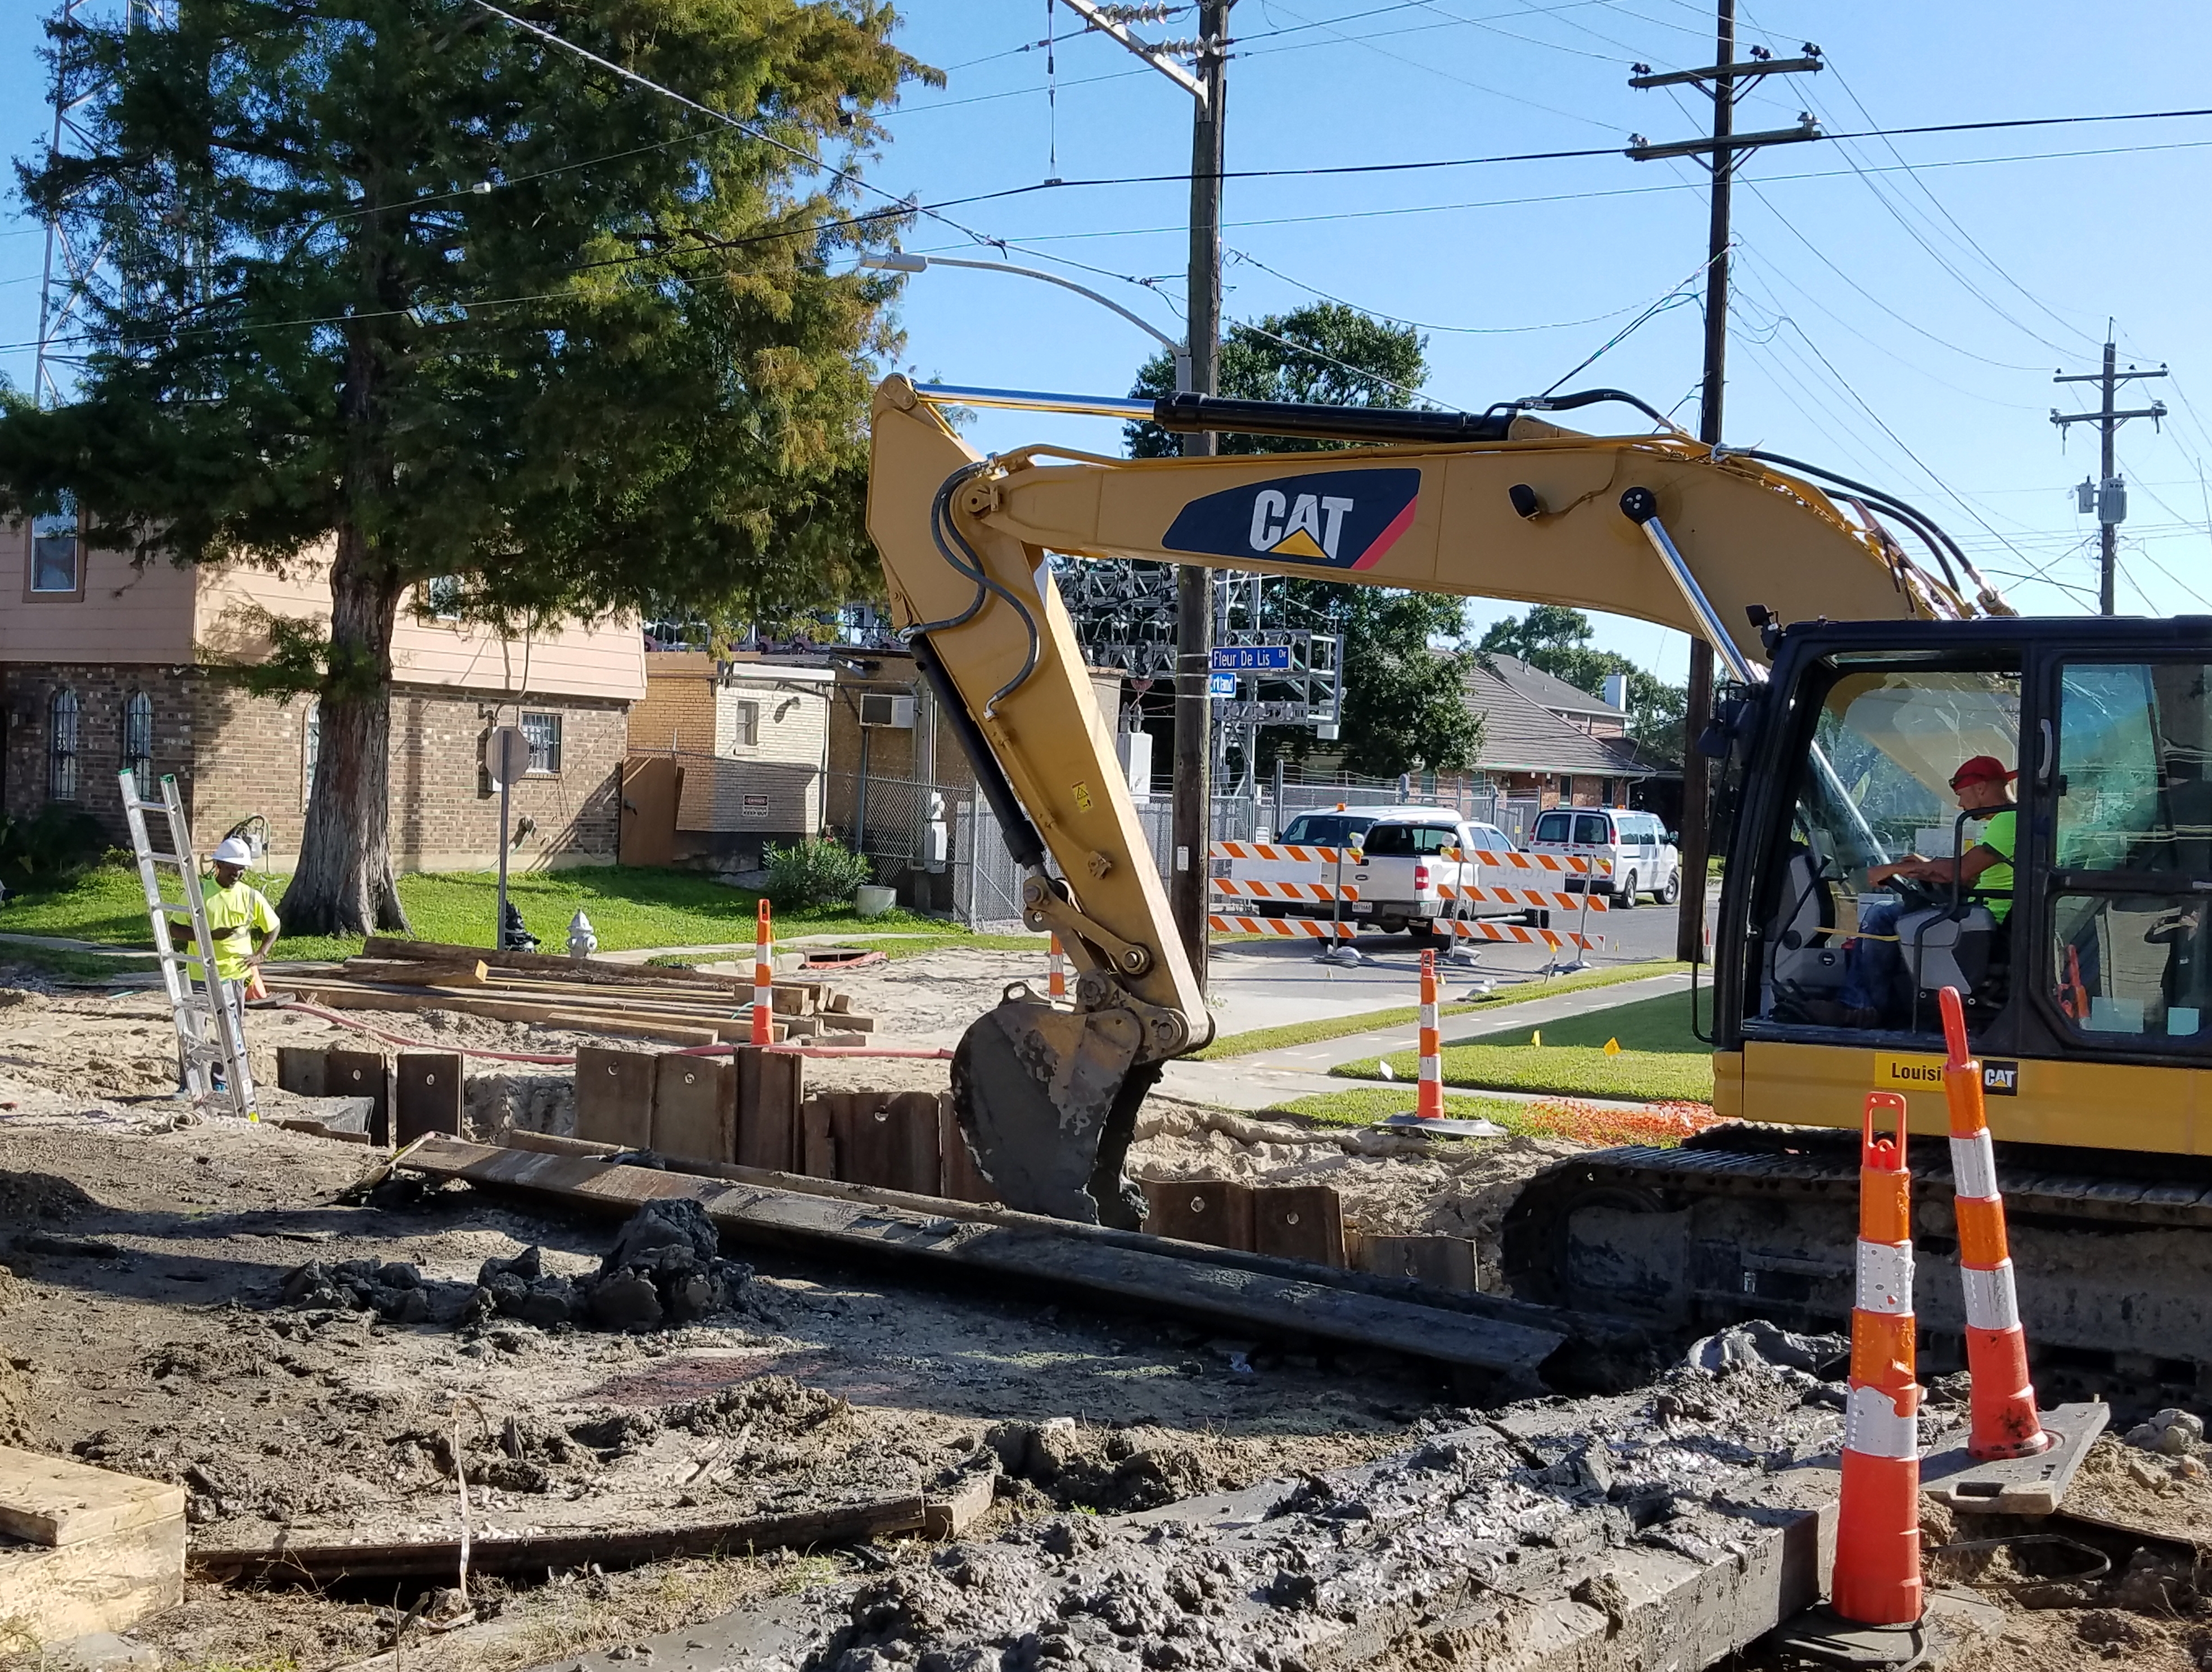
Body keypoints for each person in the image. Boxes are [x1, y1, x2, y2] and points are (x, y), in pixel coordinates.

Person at [1829, 754, 2017, 1027]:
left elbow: (1962, 871)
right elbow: (1971, 875)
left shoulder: (2009, 820)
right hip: (1981, 911)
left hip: (1987, 920)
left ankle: (1861, 1007)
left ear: (1981, 788)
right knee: (1896, 914)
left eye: (1962, 795)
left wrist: (1894, 869)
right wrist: (1925, 867)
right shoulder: (2010, 821)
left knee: (1882, 916)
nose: (1961, 804)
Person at [174, 835, 279, 1092]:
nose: (237, 873)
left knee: (230, 1032)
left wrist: (260, 954)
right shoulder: (199, 892)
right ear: (219, 865)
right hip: (201, 973)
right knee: (193, 1031)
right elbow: (176, 928)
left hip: (234, 975)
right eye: (232, 867)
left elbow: (273, 926)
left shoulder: (250, 896)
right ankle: (189, 1084)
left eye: (241, 869)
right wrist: (211, 936)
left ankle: (220, 1081)